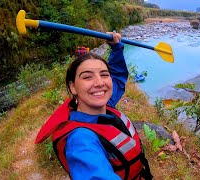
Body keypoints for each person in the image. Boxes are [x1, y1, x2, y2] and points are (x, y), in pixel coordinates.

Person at [35, 32, 152, 180]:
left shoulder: (104, 104)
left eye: (104, 74)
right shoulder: (81, 141)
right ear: (73, 87)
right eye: (87, 77)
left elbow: (117, 76)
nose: (99, 83)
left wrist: (116, 47)